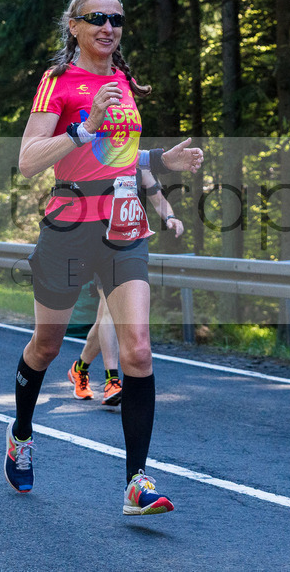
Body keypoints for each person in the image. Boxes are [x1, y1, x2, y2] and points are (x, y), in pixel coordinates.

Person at [4, 0, 203, 516]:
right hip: (69, 225)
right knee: (46, 346)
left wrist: (161, 160)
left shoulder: (123, 79)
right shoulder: (58, 83)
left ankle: (137, 481)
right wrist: (84, 125)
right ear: (74, 25)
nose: (108, 27)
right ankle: (21, 432)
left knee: (137, 348)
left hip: (123, 225)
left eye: (116, 19)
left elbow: (122, 157)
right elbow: (27, 161)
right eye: (96, 18)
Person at [68, 168, 184, 405]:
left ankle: (80, 368)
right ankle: (112, 381)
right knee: (111, 313)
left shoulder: (140, 168)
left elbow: (159, 200)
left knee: (103, 320)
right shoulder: (99, 163)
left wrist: (170, 218)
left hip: (130, 250)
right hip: (102, 248)